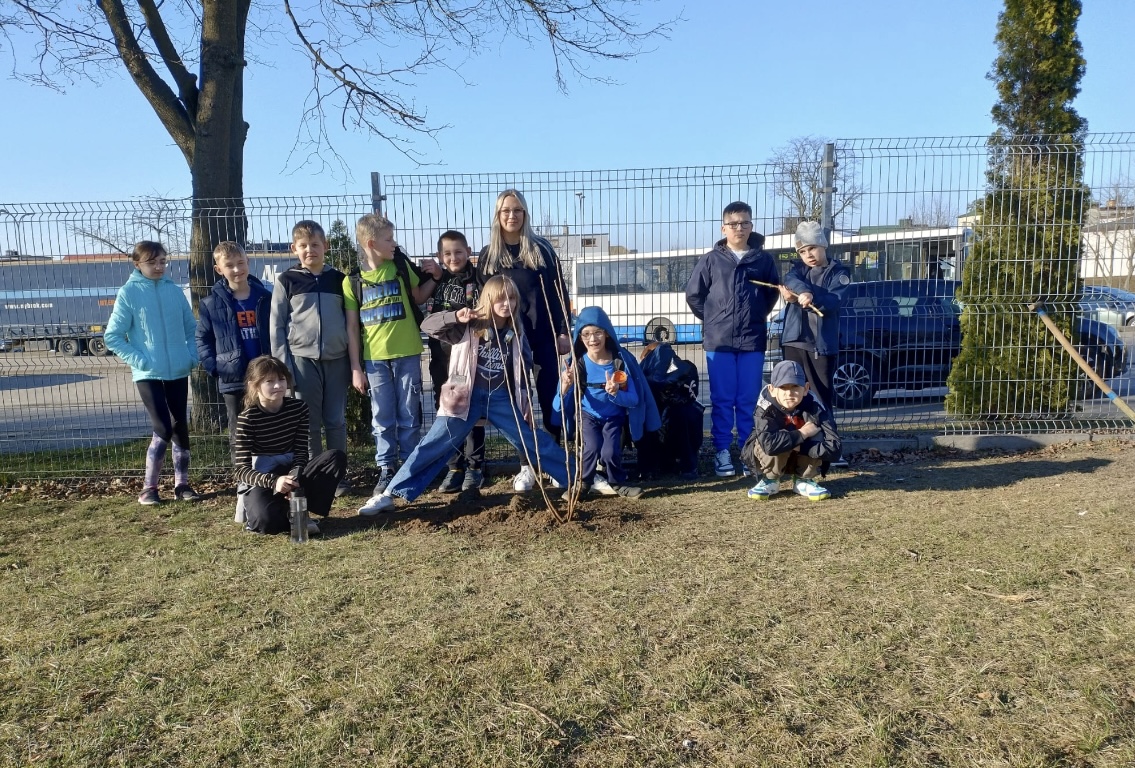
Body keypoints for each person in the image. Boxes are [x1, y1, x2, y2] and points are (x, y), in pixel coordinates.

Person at [358, 276, 573, 515]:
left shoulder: (516, 331)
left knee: (531, 439)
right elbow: (428, 326)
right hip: (464, 398)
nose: (506, 303)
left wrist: (524, 401)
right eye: (500, 298)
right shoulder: (468, 325)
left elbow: (523, 368)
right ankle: (389, 494)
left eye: (511, 298)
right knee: (432, 444)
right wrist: (454, 316)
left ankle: (579, 478)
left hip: (501, 399)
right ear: (488, 300)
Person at [477, 189, 571, 492]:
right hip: (508, 342)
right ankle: (526, 465)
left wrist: (563, 331)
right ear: (497, 215)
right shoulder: (489, 256)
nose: (512, 216)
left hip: (543, 337)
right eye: (506, 210)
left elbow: (559, 293)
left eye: (517, 210)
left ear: (525, 214)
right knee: (519, 403)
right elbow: (485, 301)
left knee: (551, 400)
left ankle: (554, 463)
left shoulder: (541, 250)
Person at [346, 213, 441, 511]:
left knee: (409, 415)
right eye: (388, 239)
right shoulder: (352, 282)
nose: (394, 243)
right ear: (371, 244)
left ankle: (411, 468)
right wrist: (356, 368)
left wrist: (436, 278)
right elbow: (352, 328)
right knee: (382, 417)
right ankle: (386, 468)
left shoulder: (399, 267)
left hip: (408, 353)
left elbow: (419, 296)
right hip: (374, 361)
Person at [684, 201, 782, 478]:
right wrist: (714, 319)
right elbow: (694, 295)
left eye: (745, 223)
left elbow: (772, 293)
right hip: (719, 342)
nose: (739, 228)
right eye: (734, 223)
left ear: (751, 226)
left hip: (752, 339)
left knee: (749, 399)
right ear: (723, 228)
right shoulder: (711, 260)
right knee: (723, 399)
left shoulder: (763, 260)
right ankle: (722, 451)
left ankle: (748, 451)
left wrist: (756, 315)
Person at [104, 240, 201, 505]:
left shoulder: (174, 291)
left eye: (162, 261)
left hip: (178, 369)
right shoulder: (128, 293)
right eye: (151, 262)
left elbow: (192, 329)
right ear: (137, 264)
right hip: (148, 373)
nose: (158, 267)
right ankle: (149, 488)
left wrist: (191, 357)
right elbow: (113, 336)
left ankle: (182, 486)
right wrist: (140, 360)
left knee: (180, 426)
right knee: (163, 426)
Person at [270, 220, 352, 497]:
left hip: (337, 359)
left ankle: (338, 477)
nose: (310, 250)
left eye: (315, 244)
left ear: (325, 246)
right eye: (303, 246)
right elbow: (276, 326)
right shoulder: (287, 280)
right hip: (302, 361)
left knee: (336, 420)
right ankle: (316, 477)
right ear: (294, 248)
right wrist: (284, 368)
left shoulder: (339, 280)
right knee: (309, 423)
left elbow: (351, 321)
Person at [552, 306, 659, 497]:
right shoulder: (576, 365)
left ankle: (617, 483)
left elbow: (634, 399)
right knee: (591, 447)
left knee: (610, 452)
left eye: (598, 332)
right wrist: (566, 386)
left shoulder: (620, 362)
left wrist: (616, 393)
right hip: (588, 416)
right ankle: (583, 484)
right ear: (579, 337)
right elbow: (557, 406)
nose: (592, 339)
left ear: (607, 333)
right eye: (586, 334)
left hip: (614, 418)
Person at [233, 356, 347, 534]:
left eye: (281, 379)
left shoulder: (299, 408)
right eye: (269, 381)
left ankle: (302, 511)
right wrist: (274, 481)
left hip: (292, 468)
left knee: (335, 457)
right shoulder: (247, 418)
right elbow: (241, 470)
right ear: (254, 385)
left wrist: (294, 476)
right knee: (266, 523)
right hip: (264, 475)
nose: (278, 385)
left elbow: (301, 450)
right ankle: (282, 514)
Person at [196, 241, 272, 461]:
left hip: (264, 375)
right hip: (234, 377)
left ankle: (267, 473)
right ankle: (242, 474)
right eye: (229, 265)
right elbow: (202, 339)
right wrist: (216, 367)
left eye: (241, 263)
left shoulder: (265, 298)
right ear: (219, 269)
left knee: (267, 427)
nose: (237, 269)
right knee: (239, 431)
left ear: (248, 262)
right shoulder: (210, 304)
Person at [425, 230, 485, 493]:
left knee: (471, 411)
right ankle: (454, 467)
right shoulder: (435, 280)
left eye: (459, 252)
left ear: (468, 251)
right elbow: (423, 309)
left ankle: (475, 467)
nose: (453, 257)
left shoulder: (478, 278)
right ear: (440, 256)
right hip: (441, 358)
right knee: (447, 410)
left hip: (468, 358)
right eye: (447, 253)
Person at [741, 360, 840, 502]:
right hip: (772, 458)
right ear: (772, 389)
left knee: (817, 433)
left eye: (795, 387)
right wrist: (802, 434)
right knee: (767, 439)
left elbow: (835, 447)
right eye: (783, 387)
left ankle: (804, 480)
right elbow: (769, 445)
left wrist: (800, 446)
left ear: (806, 388)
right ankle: (770, 480)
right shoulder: (764, 407)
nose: (789, 393)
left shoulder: (816, 406)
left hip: (803, 456)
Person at [780, 221, 851, 414]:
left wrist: (810, 299)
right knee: (793, 396)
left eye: (812, 248)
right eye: (802, 251)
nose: (808, 255)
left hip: (820, 346)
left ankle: (824, 431)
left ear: (823, 245)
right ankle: (799, 431)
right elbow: (790, 280)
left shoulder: (839, 273)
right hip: (794, 342)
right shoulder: (798, 270)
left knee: (820, 396)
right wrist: (803, 292)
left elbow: (833, 301)